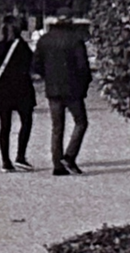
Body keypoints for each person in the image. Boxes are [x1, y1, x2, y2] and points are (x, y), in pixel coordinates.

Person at [34, 16, 91, 175]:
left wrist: (48, 76)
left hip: (52, 88)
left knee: (57, 127)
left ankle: (57, 165)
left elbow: (36, 64)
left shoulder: (45, 40)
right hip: (73, 88)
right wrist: (84, 85)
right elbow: (83, 67)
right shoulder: (75, 40)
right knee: (81, 122)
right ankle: (70, 156)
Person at [0, 16, 36, 170]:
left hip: (3, 89)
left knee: (4, 126)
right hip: (21, 88)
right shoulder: (20, 45)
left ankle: (5, 161)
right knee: (26, 122)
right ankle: (20, 156)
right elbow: (31, 64)